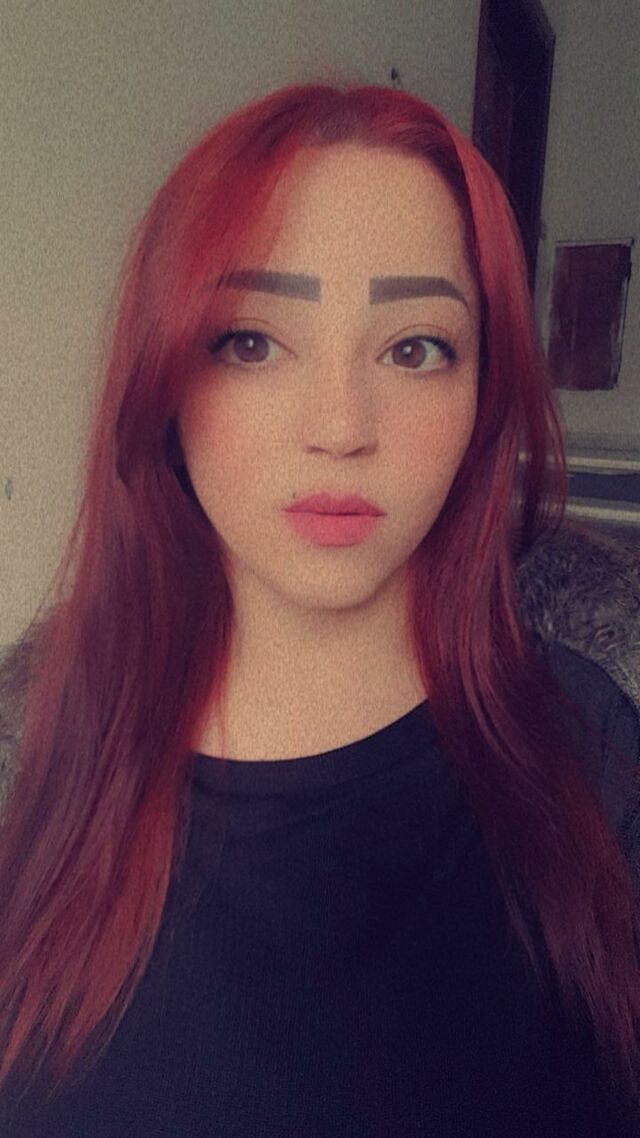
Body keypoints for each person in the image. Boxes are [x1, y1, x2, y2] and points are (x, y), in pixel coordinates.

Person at [0, 79, 639, 1135]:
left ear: (482, 397)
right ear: (165, 379)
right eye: (252, 341)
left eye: (415, 347)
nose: (341, 426)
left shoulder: (593, 758)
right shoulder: (34, 745)